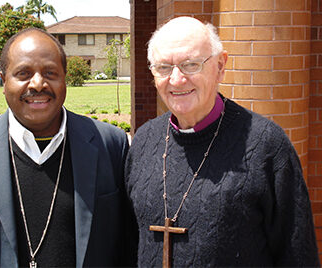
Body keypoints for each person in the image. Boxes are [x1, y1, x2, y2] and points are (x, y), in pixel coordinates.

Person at [124, 16, 319, 267]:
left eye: (190, 64)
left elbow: (297, 254)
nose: (176, 79)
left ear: (220, 65)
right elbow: (128, 242)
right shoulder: (143, 141)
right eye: (163, 67)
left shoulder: (266, 145)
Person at [0, 27, 137, 267]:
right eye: (23, 73)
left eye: (50, 73)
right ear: (3, 80)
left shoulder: (110, 144)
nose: (38, 83)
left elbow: (127, 247)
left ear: (65, 78)